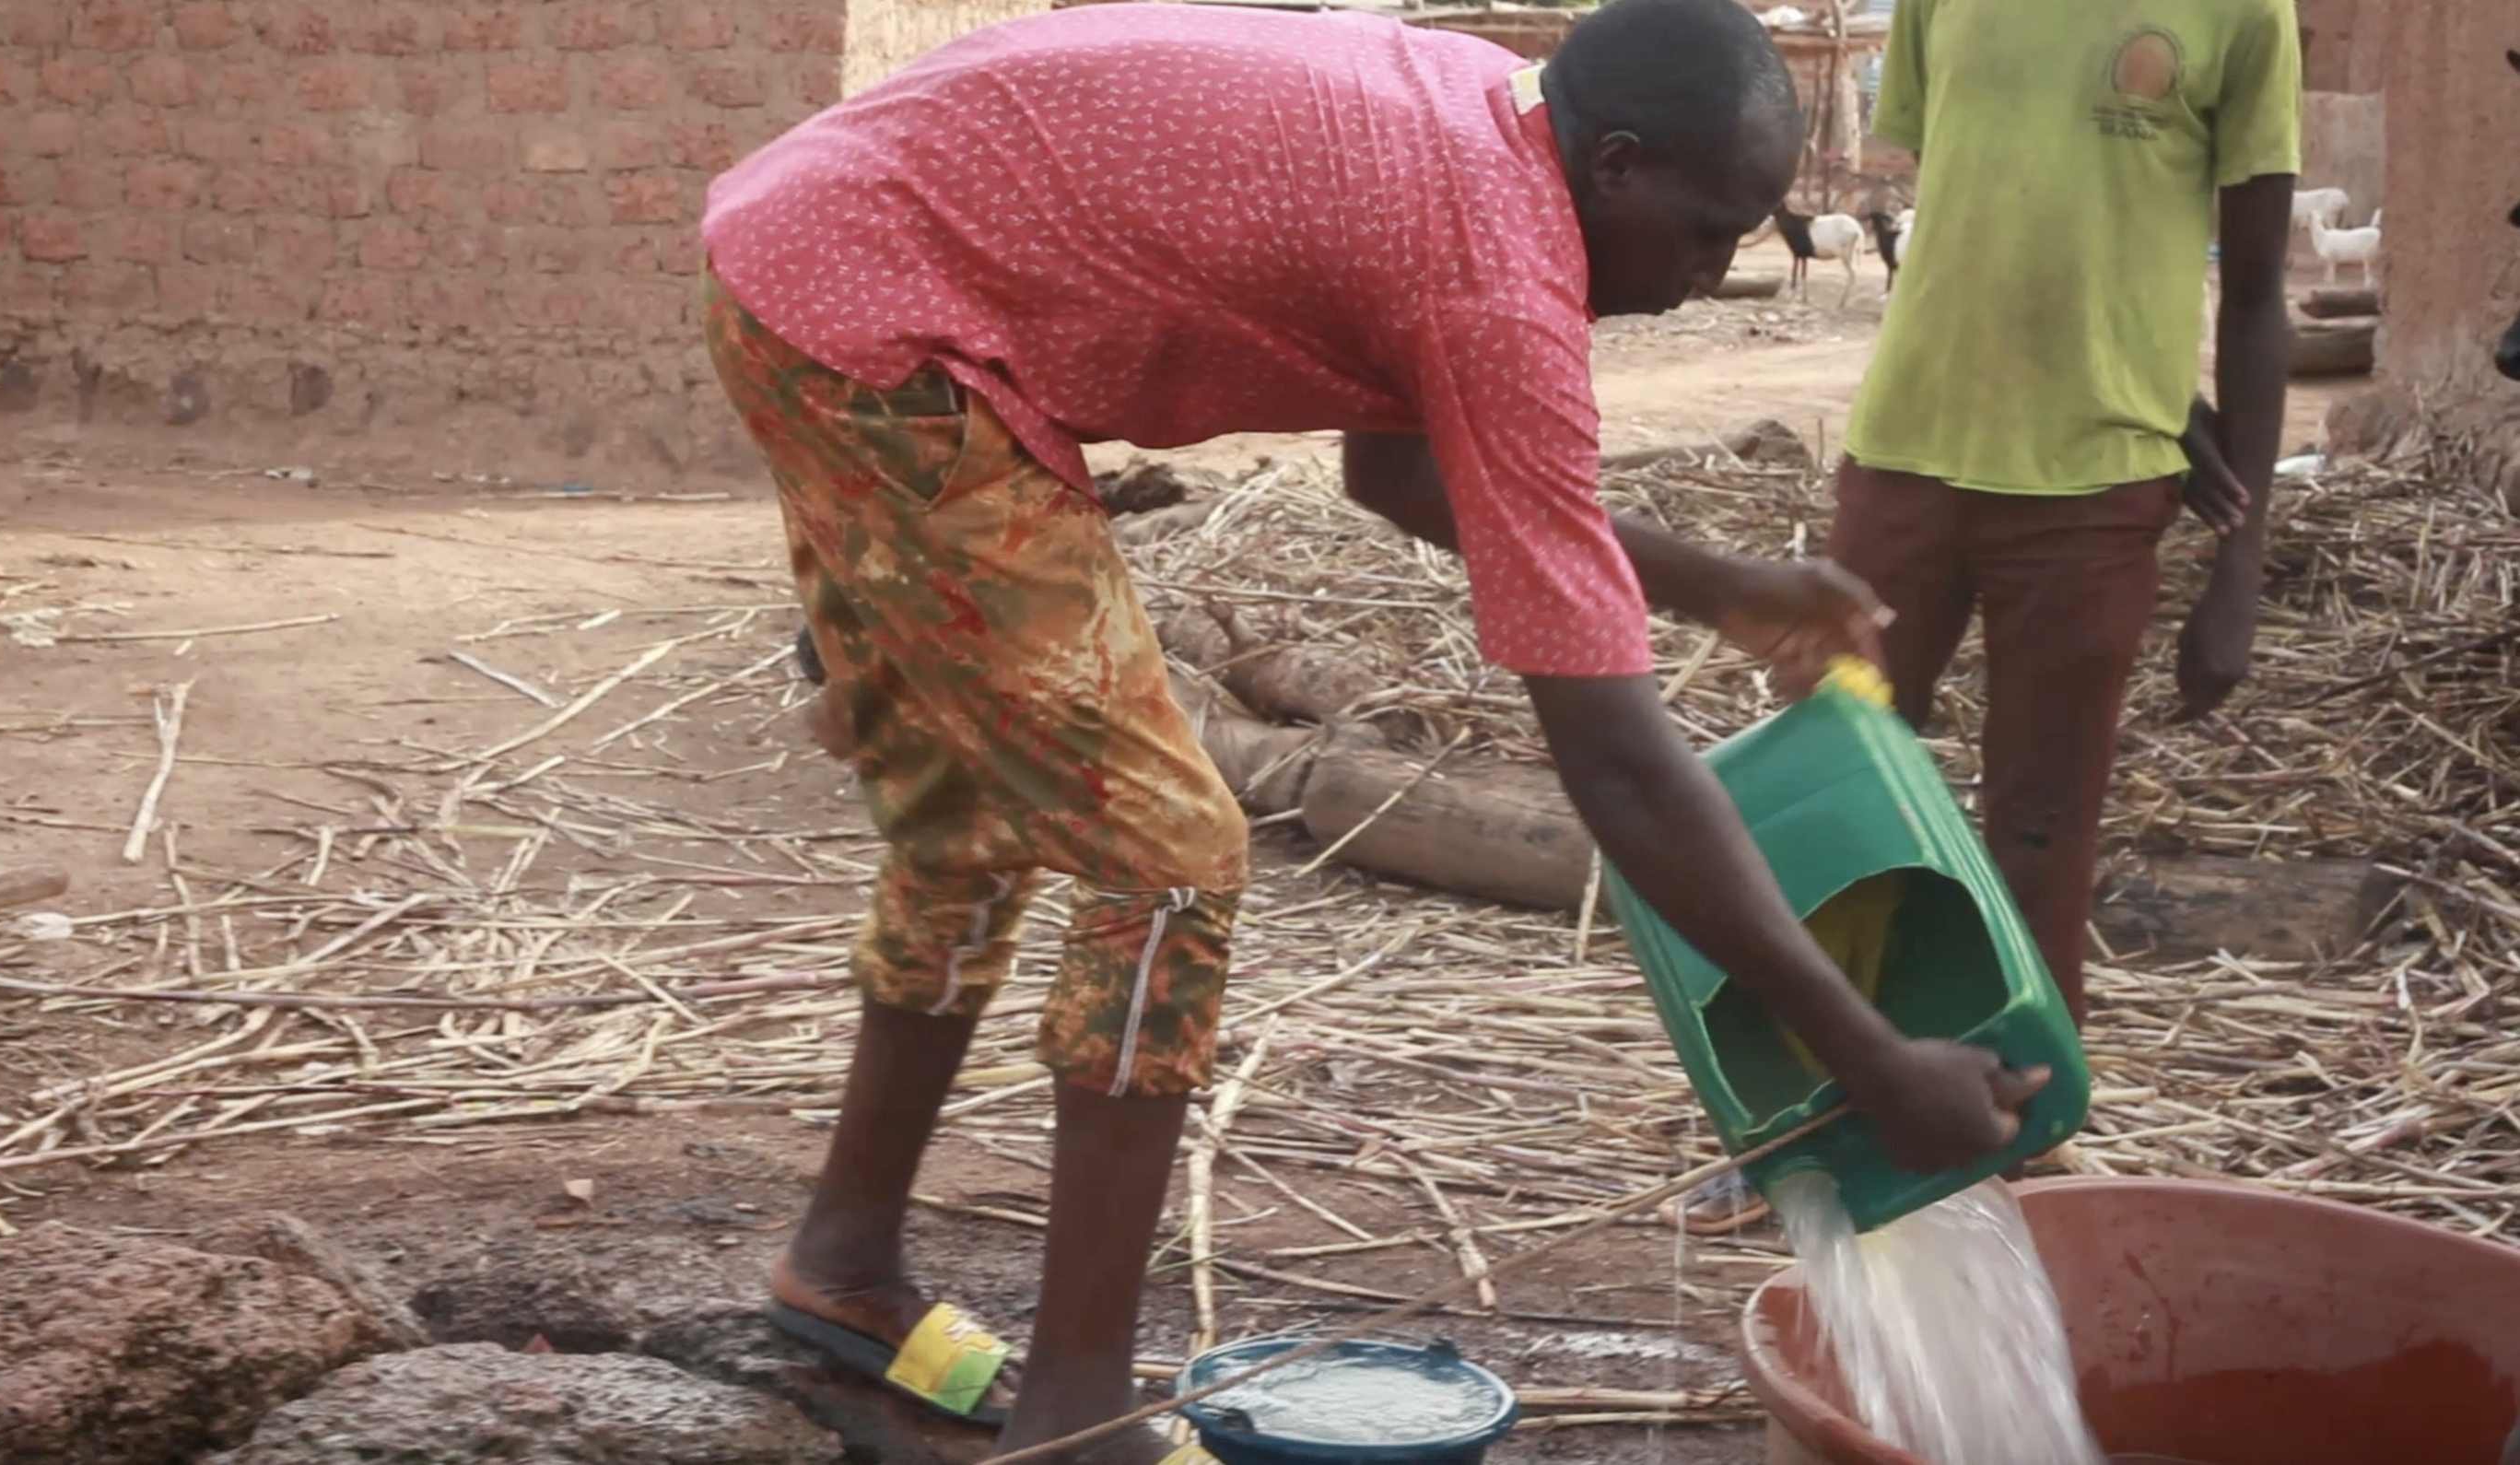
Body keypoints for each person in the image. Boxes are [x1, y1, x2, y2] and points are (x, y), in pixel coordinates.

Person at [697, 2, 2046, 1459]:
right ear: (1617, 164)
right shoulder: (1497, 281)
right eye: (1708, 233)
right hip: (884, 334)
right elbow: (1619, 770)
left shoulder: (1493, 127)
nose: (1713, 275)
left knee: (976, 805)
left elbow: (1399, 476)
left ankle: (841, 1262)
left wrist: (1721, 586)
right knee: (1164, 855)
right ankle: (1080, 1416)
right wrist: (1862, 1056)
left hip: (816, 259)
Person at [1659, 0, 2297, 1238]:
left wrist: (2241, 556)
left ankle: (2015, 1138)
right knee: (1822, 801)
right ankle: (1788, 1127)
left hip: (2095, 473)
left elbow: (2261, 285)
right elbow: (1989, 202)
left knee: (2042, 832)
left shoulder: (2243, 13)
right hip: (1906, 445)